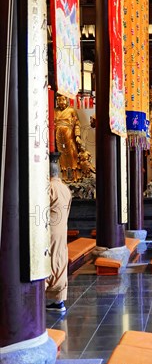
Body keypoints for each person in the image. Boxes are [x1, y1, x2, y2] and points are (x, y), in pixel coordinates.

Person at [45, 159, 72, 312]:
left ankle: (37, 297)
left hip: (50, 231)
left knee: (48, 261)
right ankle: (59, 300)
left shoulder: (49, 188)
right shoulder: (65, 188)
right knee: (60, 261)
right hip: (62, 230)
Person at [54, 93, 83, 182]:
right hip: (59, 137)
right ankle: (65, 176)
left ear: (67, 100)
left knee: (72, 154)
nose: (61, 102)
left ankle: (75, 176)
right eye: (59, 100)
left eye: (63, 99)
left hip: (69, 136)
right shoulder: (54, 111)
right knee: (62, 156)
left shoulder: (71, 111)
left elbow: (77, 124)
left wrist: (77, 136)